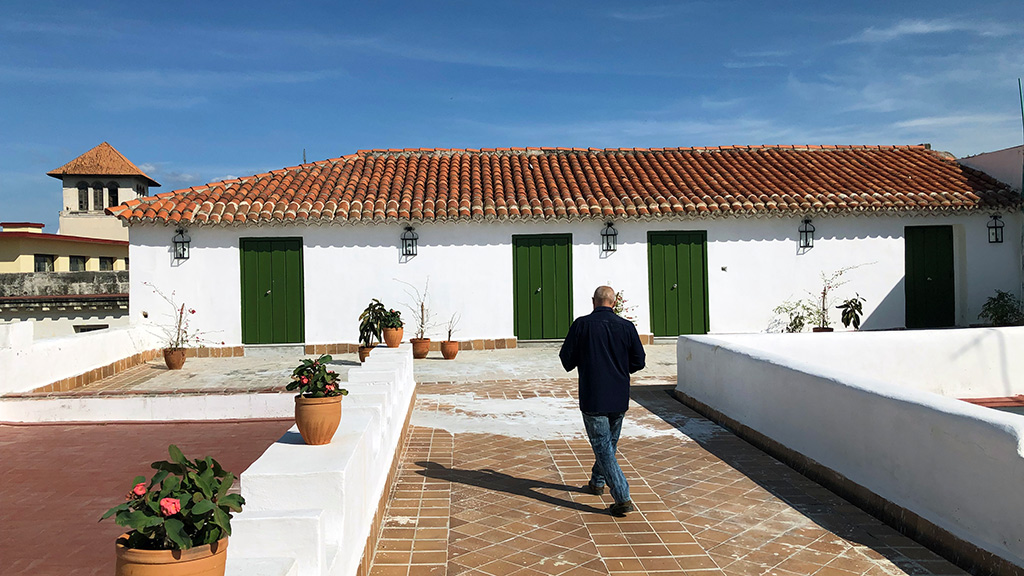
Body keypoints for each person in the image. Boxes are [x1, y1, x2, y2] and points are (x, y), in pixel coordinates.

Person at [559, 285, 646, 516]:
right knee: (608, 445)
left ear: (593, 301)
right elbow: (639, 361)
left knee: (604, 447)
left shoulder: (581, 325)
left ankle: (622, 495)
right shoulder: (627, 327)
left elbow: (566, 359)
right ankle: (597, 482)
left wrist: (586, 359)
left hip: (594, 396)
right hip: (618, 396)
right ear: (614, 301)